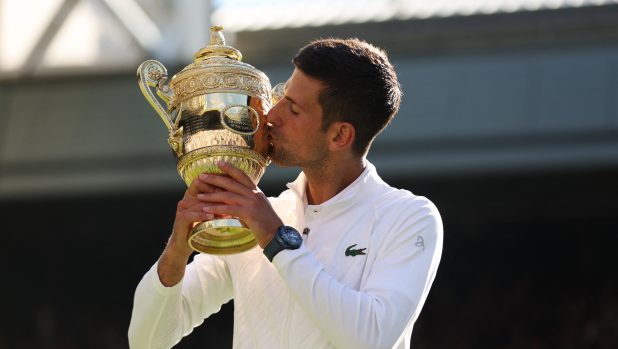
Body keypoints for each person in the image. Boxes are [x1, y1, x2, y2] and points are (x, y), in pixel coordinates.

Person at [128, 38, 443, 349]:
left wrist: (276, 239)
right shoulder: (256, 218)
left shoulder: (409, 217)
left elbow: (369, 339)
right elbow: (147, 340)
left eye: (292, 109)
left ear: (340, 135)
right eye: (281, 97)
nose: (271, 116)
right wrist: (178, 250)